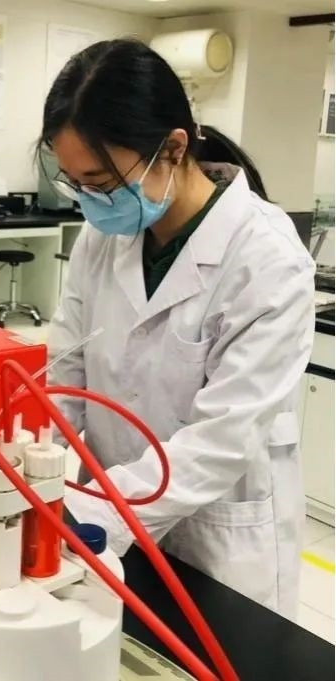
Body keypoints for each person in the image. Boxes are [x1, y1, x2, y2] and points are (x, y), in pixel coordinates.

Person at [40, 39, 315, 620]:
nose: (91, 203)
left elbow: (222, 438)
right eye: (75, 183)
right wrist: (31, 465)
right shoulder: (101, 240)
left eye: (102, 182)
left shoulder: (266, 258)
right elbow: (65, 371)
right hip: (108, 518)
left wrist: (99, 512)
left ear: (173, 148)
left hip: (215, 538)